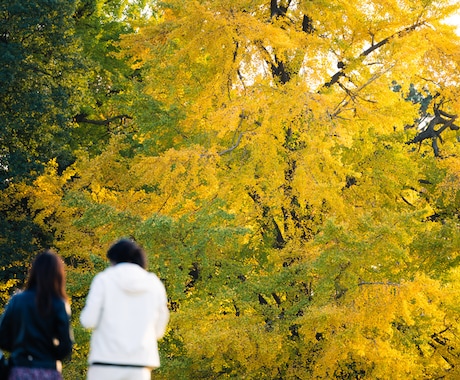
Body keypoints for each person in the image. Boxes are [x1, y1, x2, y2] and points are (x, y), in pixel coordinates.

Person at [80, 238, 169, 380]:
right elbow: (159, 328)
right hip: (139, 364)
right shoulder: (153, 283)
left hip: (105, 362)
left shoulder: (104, 280)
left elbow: (88, 320)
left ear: (113, 260)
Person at [0, 250, 74, 380]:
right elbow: (66, 346)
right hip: (48, 370)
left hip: (19, 369)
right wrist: (49, 354)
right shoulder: (58, 304)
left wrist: (19, 348)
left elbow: (2, 337)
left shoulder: (17, 300)